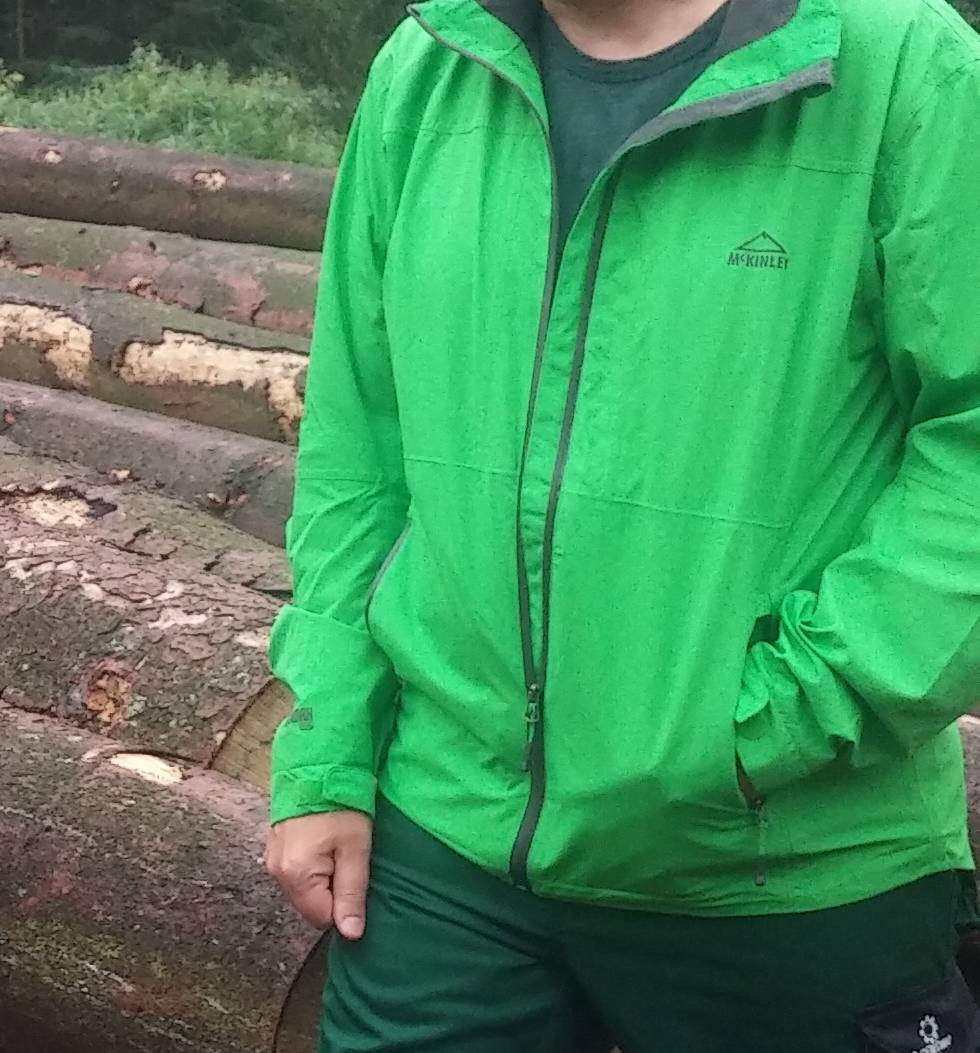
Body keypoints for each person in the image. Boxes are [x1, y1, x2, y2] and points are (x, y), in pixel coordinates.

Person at [263, 0, 980, 1048]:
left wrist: (771, 723)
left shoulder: (904, 67)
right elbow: (355, 450)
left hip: (783, 874)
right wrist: (325, 752)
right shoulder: (426, 69)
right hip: (447, 853)